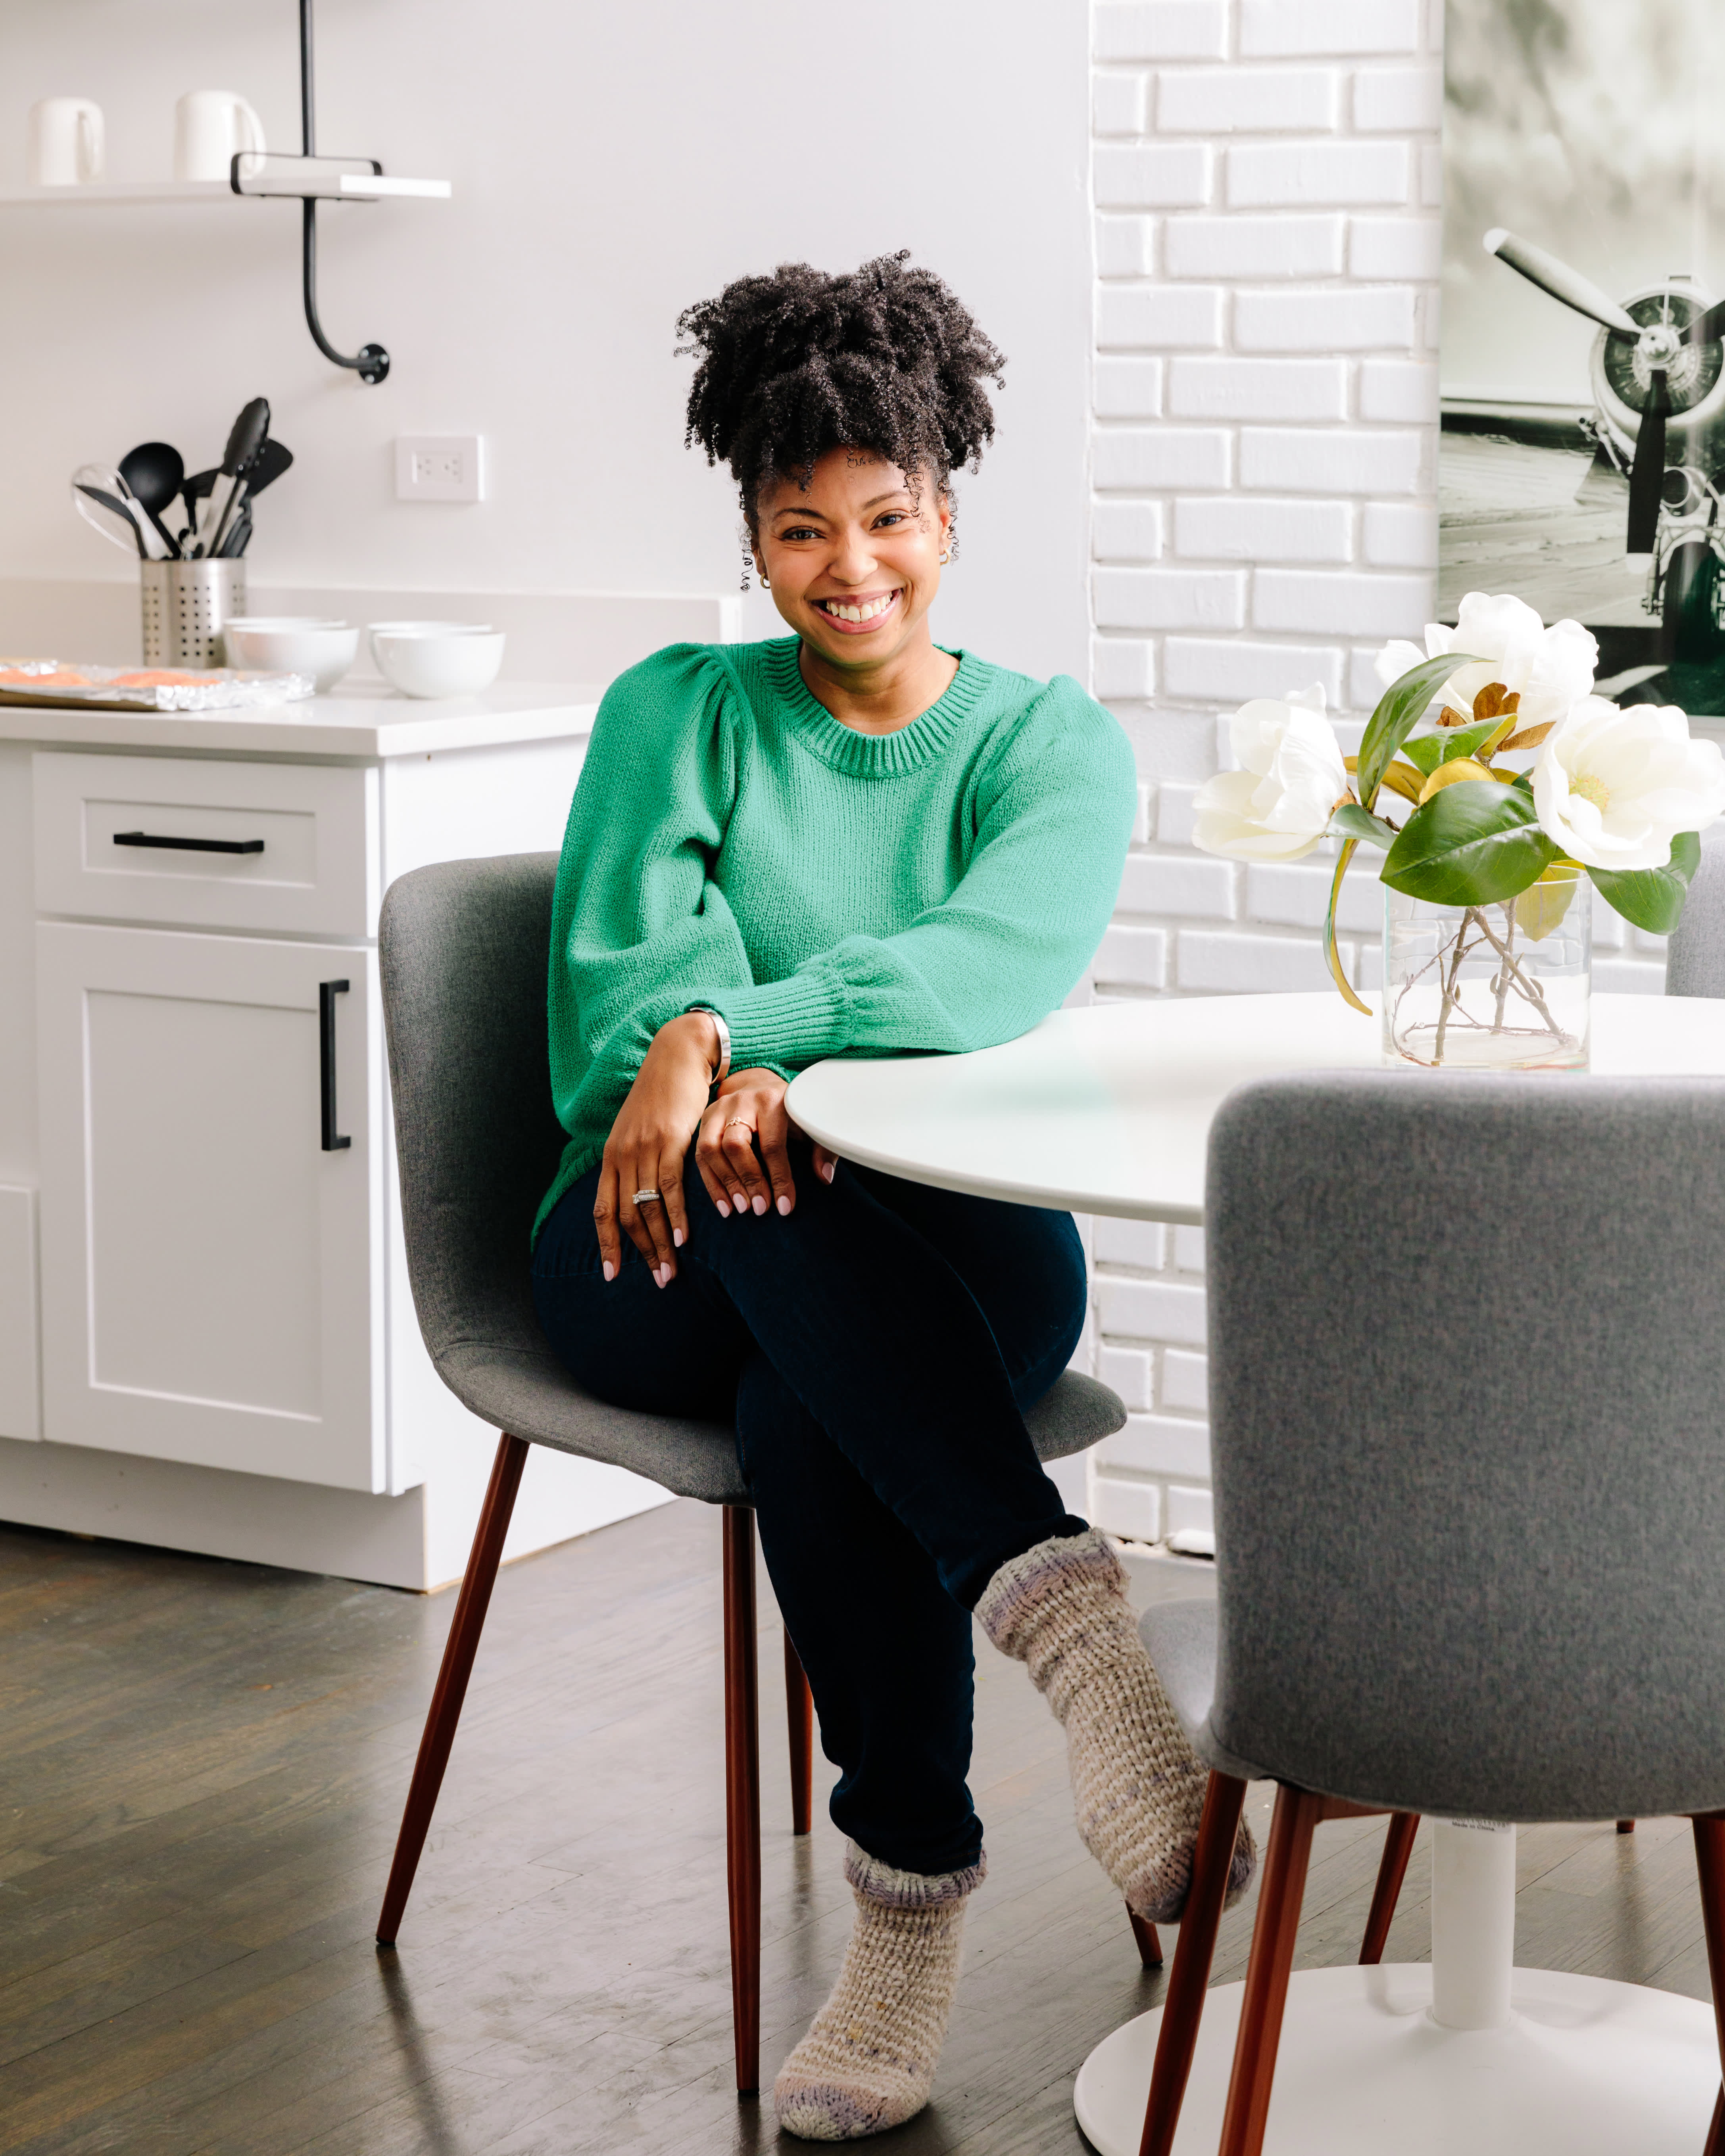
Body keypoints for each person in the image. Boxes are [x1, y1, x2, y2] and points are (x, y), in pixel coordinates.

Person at [529, 252, 1253, 2142]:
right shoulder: (674, 710)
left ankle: (908, 1912)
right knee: (779, 1244)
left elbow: (982, 968)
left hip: (952, 1251)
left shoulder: (1043, 743)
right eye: (798, 531)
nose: (848, 568)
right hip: (650, 1244)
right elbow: (609, 1012)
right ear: (752, 537)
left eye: (887, 518)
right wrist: (673, 1051)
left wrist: (736, 1036)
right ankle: (1081, 1651)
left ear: (947, 507)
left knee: (815, 1395)